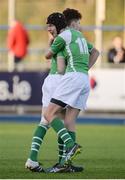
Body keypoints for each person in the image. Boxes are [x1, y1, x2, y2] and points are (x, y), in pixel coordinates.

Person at [25, 12, 82, 173]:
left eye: (50, 25)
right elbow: (61, 67)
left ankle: (45, 160)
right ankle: (64, 153)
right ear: (70, 24)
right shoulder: (66, 38)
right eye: (77, 23)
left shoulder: (61, 39)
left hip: (57, 81)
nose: (48, 28)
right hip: (58, 80)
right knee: (50, 119)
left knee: (49, 120)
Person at [44, 10, 99, 170]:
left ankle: (70, 145)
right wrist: (85, 68)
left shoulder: (62, 37)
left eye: (50, 25)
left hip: (72, 78)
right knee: (69, 121)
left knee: (48, 114)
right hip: (84, 79)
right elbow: (96, 52)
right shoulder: (79, 35)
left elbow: (48, 55)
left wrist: (52, 43)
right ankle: (65, 164)